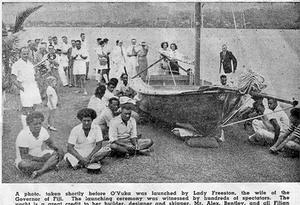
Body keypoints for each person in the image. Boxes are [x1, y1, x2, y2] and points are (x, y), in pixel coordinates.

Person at [15, 111, 64, 178]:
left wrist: (59, 149)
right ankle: (49, 165)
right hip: (27, 160)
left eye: (40, 123)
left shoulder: (43, 130)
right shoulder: (23, 135)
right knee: (24, 165)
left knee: (58, 153)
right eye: (35, 124)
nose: (38, 126)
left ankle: (40, 171)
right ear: (29, 124)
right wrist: (41, 159)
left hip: (39, 155)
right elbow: (25, 156)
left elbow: (51, 144)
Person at [11, 47, 42, 128]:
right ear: (20, 54)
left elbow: (34, 75)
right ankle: (25, 128)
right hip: (25, 87)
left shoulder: (30, 63)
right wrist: (21, 88)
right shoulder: (16, 64)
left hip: (33, 86)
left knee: (34, 106)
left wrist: (38, 75)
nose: (25, 55)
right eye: (23, 53)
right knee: (26, 108)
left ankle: (30, 125)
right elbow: (13, 78)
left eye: (27, 53)